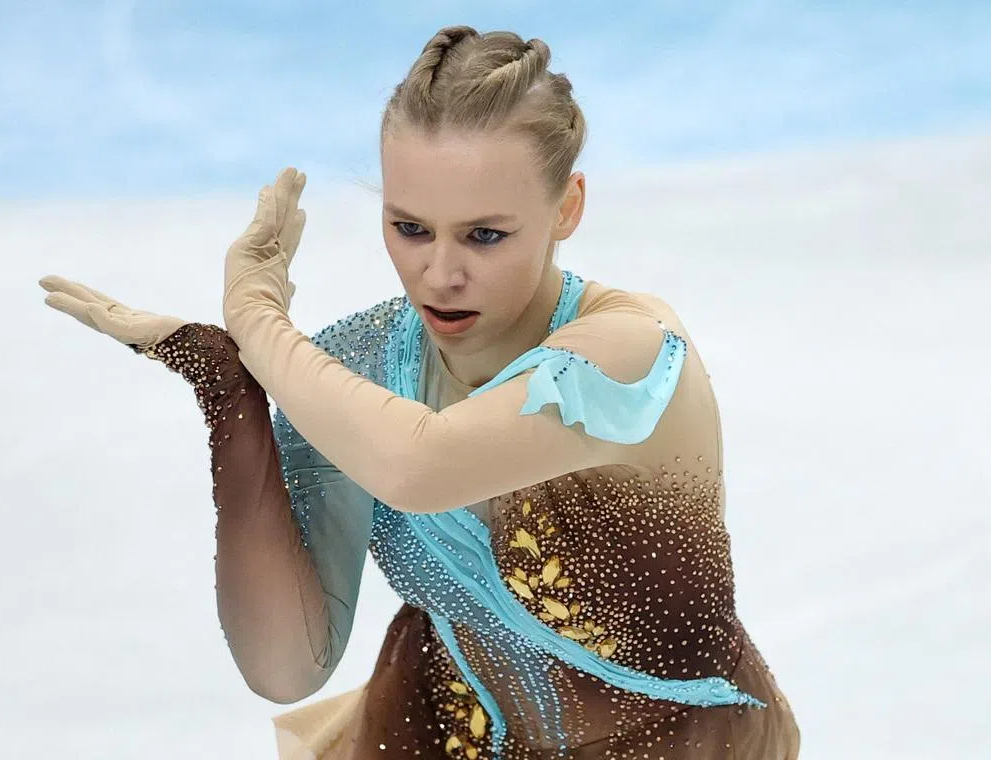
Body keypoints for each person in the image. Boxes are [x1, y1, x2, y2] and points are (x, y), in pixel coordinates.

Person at [40, 25, 800, 760]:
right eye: (409, 227)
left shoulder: (629, 353)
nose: (439, 275)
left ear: (566, 207)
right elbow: (285, 664)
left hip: (678, 747)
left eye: (485, 235)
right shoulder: (358, 367)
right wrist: (232, 392)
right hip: (450, 732)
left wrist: (259, 323)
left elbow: (419, 467)